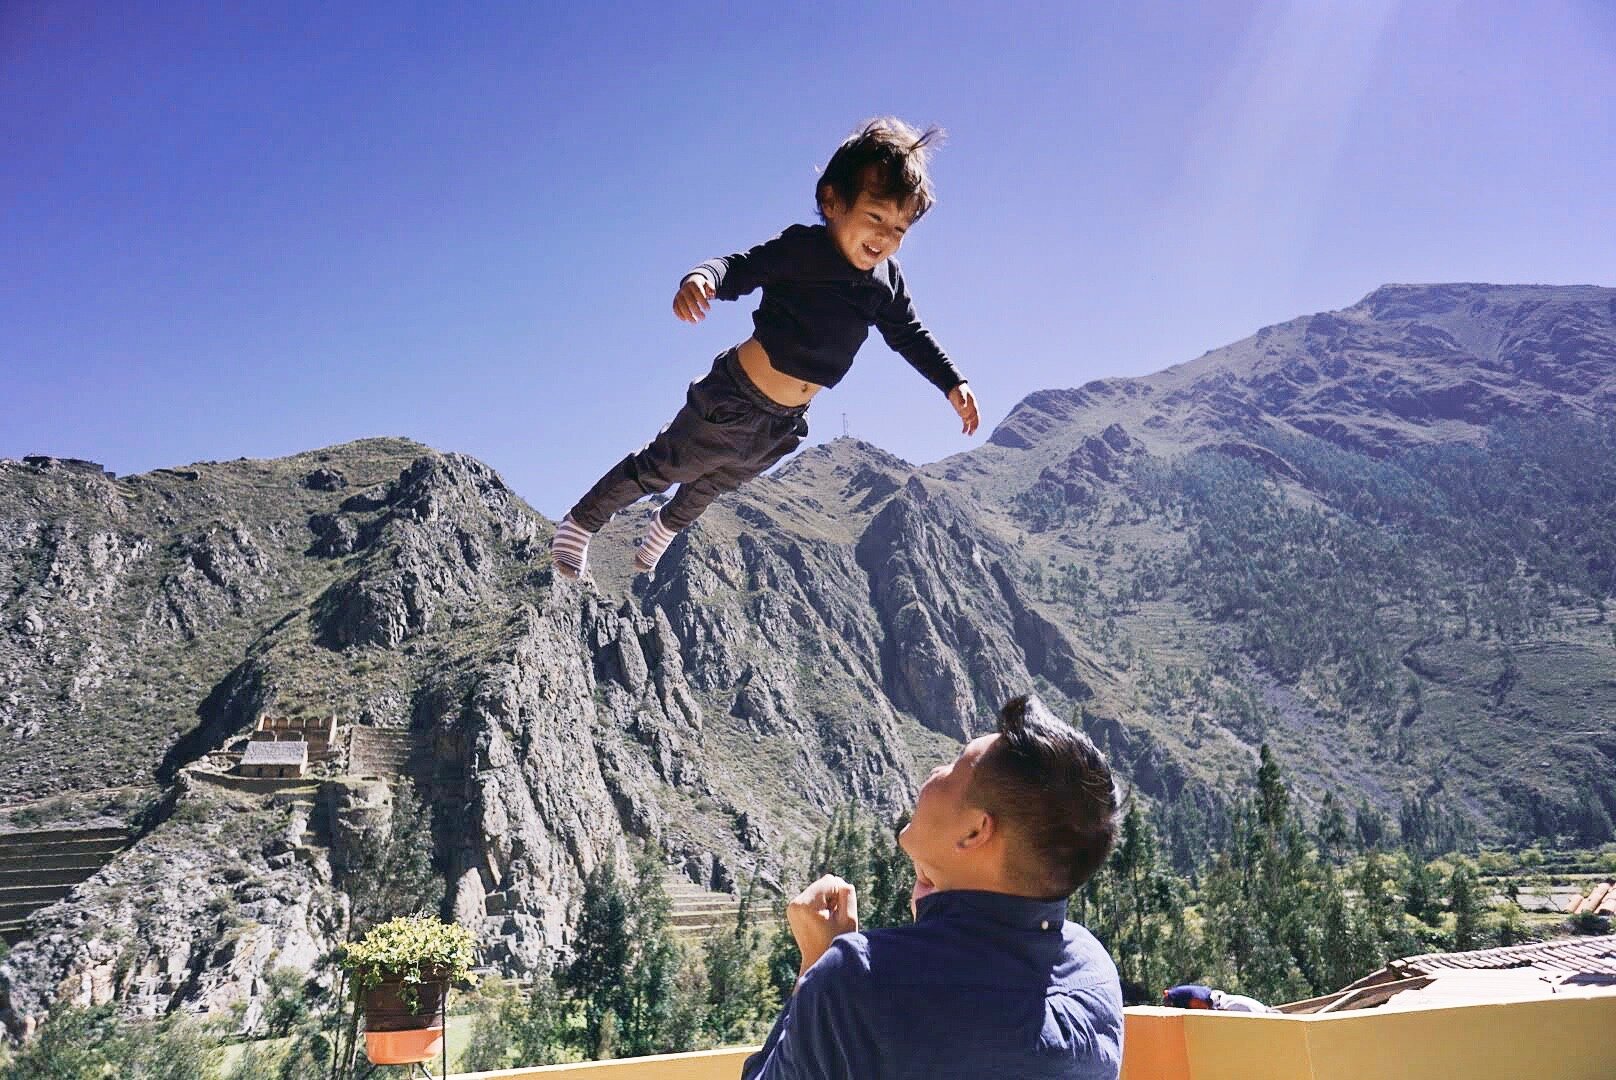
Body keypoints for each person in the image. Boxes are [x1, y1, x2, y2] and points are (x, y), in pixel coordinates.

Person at [550, 117, 981, 579]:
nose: (885, 238)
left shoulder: (886, 281)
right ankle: (580, 523)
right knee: (667, 466)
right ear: (832, 202)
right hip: (734, 397)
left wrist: (952, 381)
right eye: (875, 218)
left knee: (718, 481)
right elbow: (740, 267)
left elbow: (909, 334)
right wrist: (704, 278)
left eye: (899, 229)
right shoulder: (803, 249)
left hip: (786, 421)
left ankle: (664, 528)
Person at [743, 694, 1126, 1080]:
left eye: (955, 767)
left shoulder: (861, 980)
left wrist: (816, 962)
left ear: (975, 830)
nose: (935, 771)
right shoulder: (1090, 967)